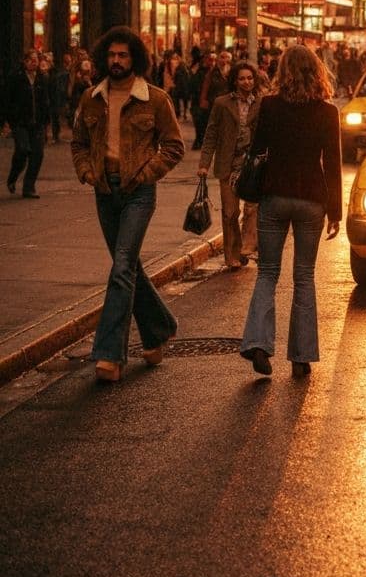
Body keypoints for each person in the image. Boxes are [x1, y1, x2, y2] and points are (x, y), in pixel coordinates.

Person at [70, 26, 185, 382]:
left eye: (123, 55)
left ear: (135, 58)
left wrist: (149, 171)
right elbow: (78, 143)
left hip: (138, 192)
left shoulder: (154, 98)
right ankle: (158, 329)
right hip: (105, 192)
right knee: (128, 265)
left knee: (121, 268)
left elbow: (174, 146)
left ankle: (109, 356)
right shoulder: (92, 97)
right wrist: (87, 171)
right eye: (111, 55)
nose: (116, 61)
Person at [239, 46, 341, 379]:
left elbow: (257, 150)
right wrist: (336, 212)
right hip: (311, 199)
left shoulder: (270, 106)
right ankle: (301, 356)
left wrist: (252, 190)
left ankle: (258, 342)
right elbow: (333, 166)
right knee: (304, 276)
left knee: (267, 271)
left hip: (275, 196)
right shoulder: (327, 112)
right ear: (317, 72)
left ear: (283, 72)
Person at [198, 61, 262, 268]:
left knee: (252, 210)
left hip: (251, 166)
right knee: (230, 213)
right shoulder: (222, 103)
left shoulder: (261, 103)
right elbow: (211, 134)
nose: (246, 82)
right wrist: (204, 164)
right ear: (235, 80)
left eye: (250, 78)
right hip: (228, 164)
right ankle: (231, 255)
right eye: (242, 78)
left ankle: (246, 248)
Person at [4, 50, 50, 198]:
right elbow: (7, 100)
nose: (34, 62)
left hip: (37, 123)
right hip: (20, 122)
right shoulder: (16, 78)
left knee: (38, 154)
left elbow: (45, 101)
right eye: (31, 59)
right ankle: (13, 176)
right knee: (23, 150)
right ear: (24, 61)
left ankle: (29, 187)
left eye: (36, 59)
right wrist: (7, 121)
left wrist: (46, 124)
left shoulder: (42, 78)